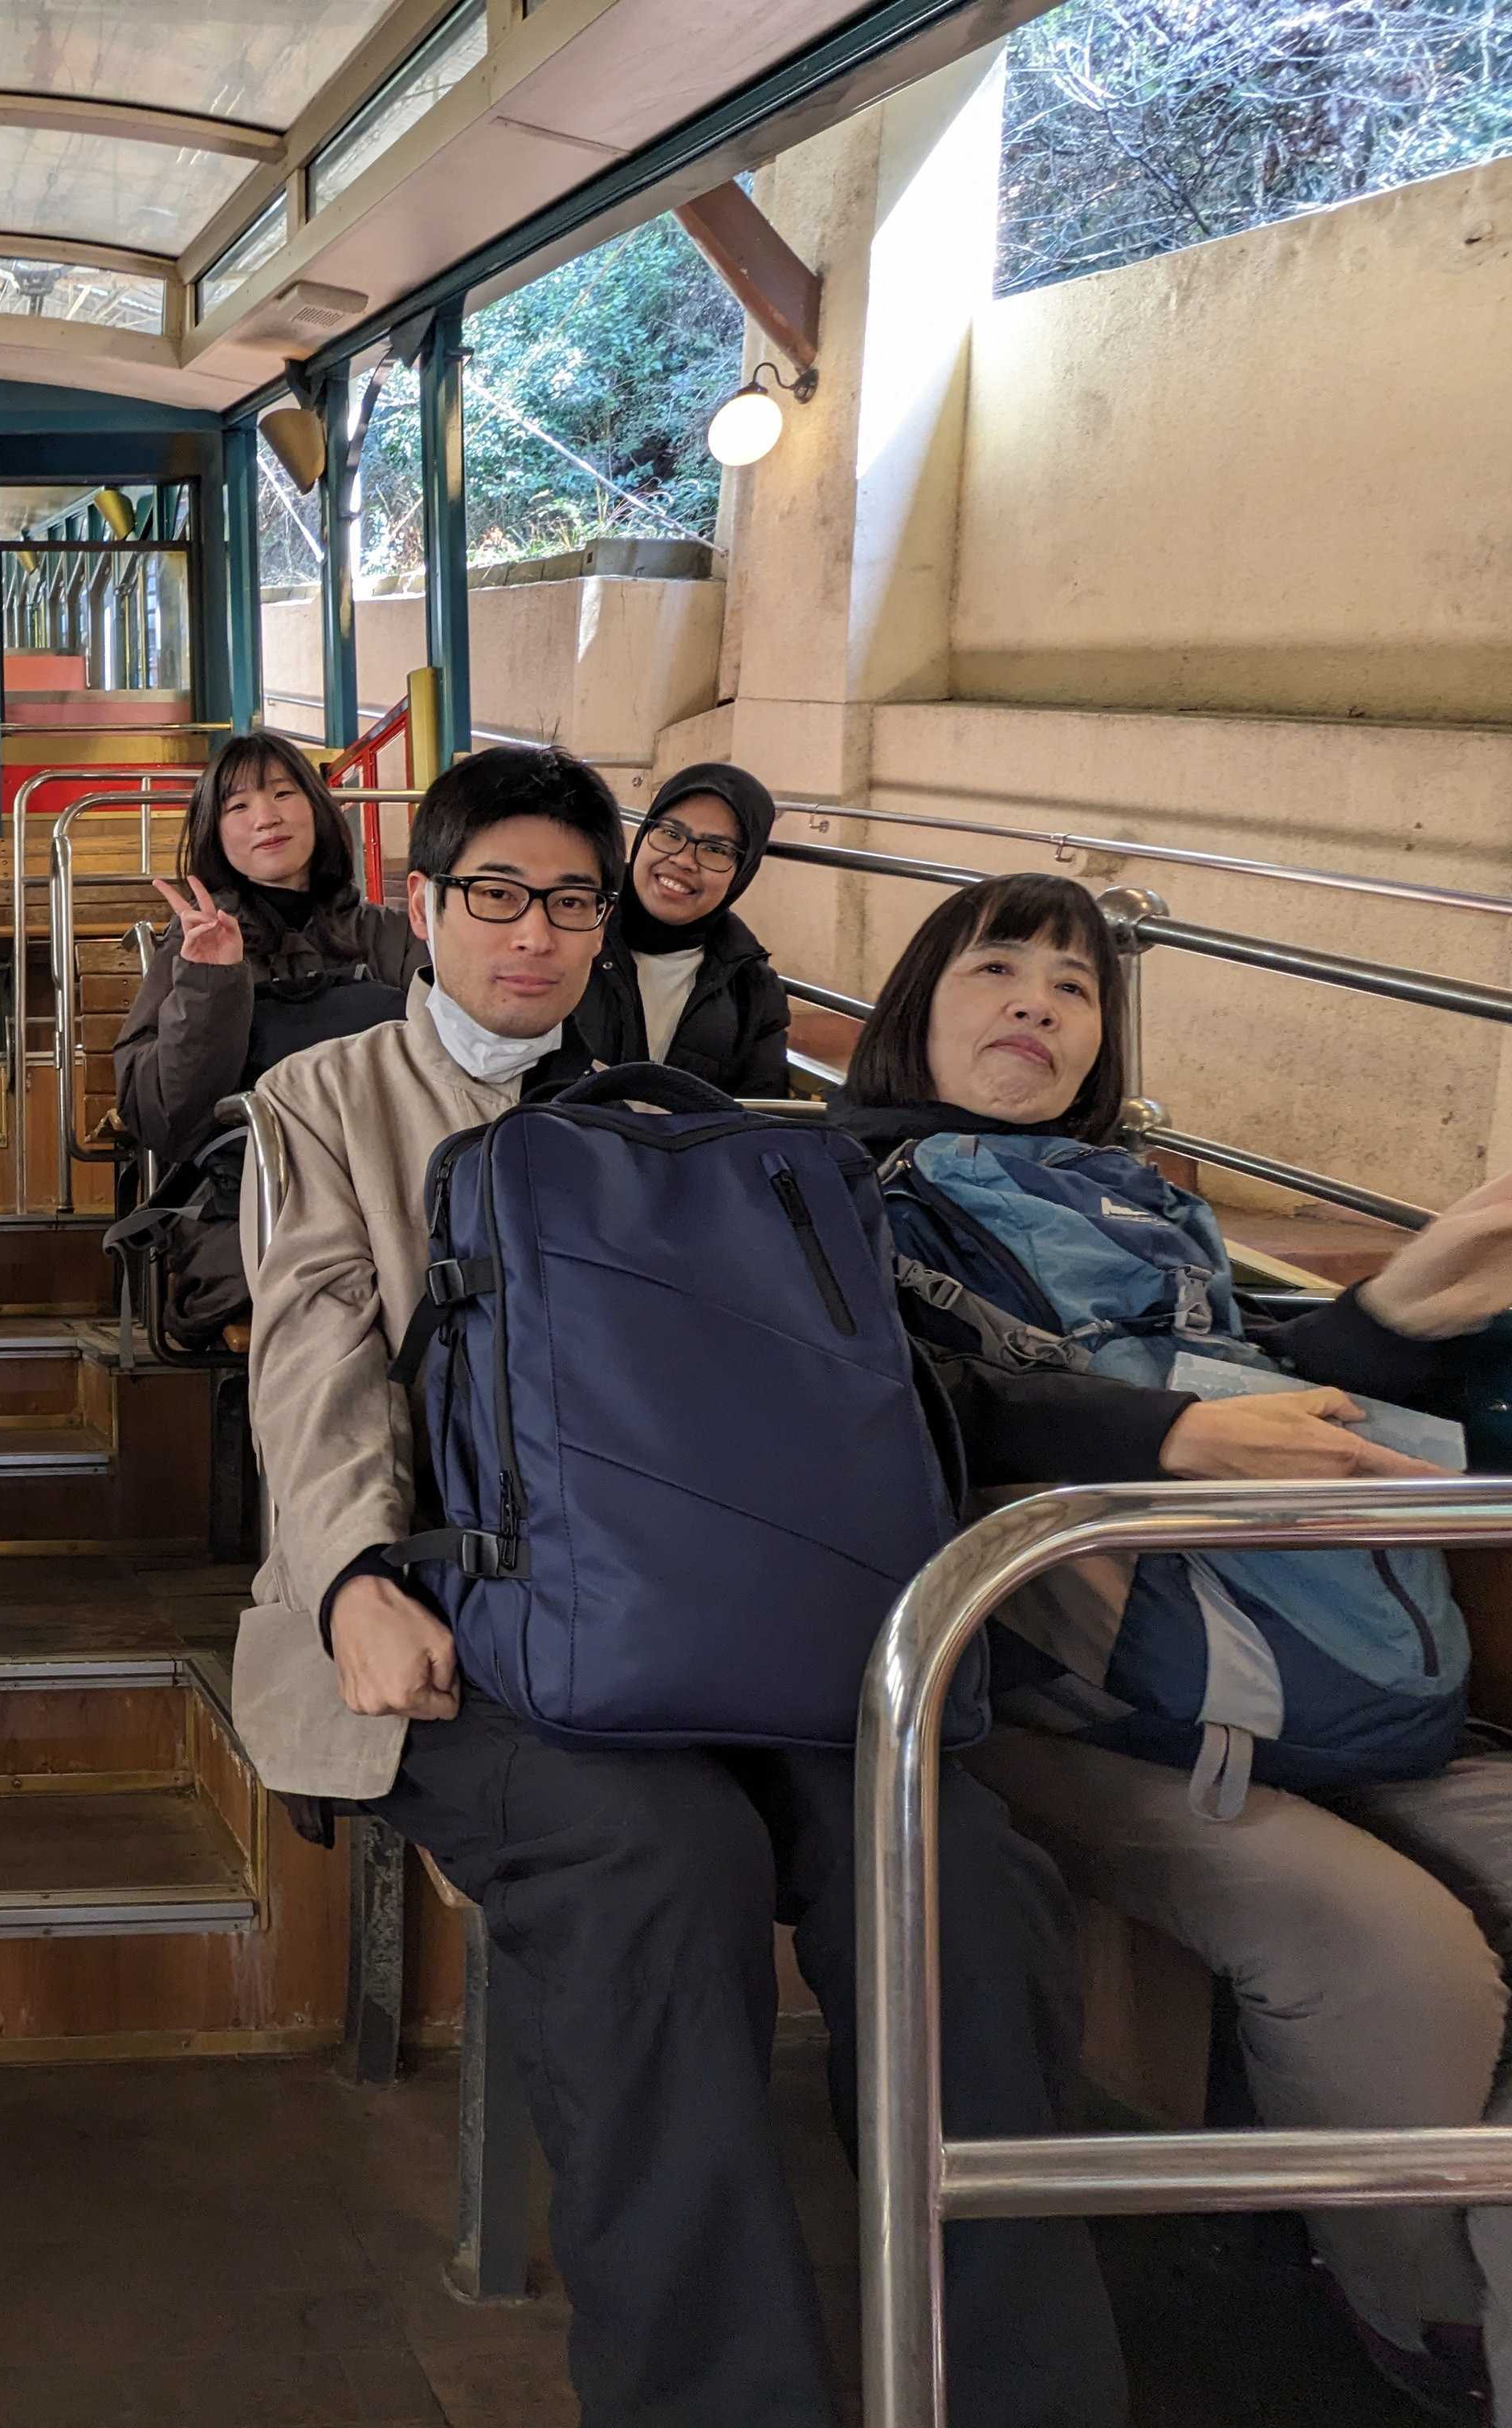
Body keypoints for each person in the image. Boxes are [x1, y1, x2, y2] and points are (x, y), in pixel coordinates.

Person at [234, 743, 1404, 2426]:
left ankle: (1018, 2389)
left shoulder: (677, 1122)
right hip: (447, 1625)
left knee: (948, 1868)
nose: (534, 933)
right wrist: (354, 1574)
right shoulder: (326, 1104)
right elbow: (315, 1373)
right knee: (656, 1859)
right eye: (494, 894)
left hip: (706, 1614)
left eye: (569, 900)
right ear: (424, 907)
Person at [835, 871, 1512, 2418]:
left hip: (1309, 1667)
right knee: (1385, 1950)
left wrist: (1397, 1310)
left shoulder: (1134, 1199)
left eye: (1075, 985)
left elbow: (1237, 1384)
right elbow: (906, 1412)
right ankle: (1431, 2326)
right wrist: (1161, 1433)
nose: (1037, 999)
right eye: (996, 967)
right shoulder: (834, 1196)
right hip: (1041, 1700)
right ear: (911, 1007)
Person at [111, 734, 422, 1346]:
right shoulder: (192, 945)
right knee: (335, 1302)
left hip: (395, 1191)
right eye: (239, 806)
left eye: (283, 794)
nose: (267, 817)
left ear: (317, 809)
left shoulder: (391, 936)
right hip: (256, 1205)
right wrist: (211, 981)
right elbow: (166, 1118)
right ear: (216, 833)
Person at [568, 759, 792, 1097]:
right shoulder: (570, 924)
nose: (684, 860)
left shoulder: (752, 988)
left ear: (742, 872)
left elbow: (758, 1114)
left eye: (715, 849)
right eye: (671, 833)